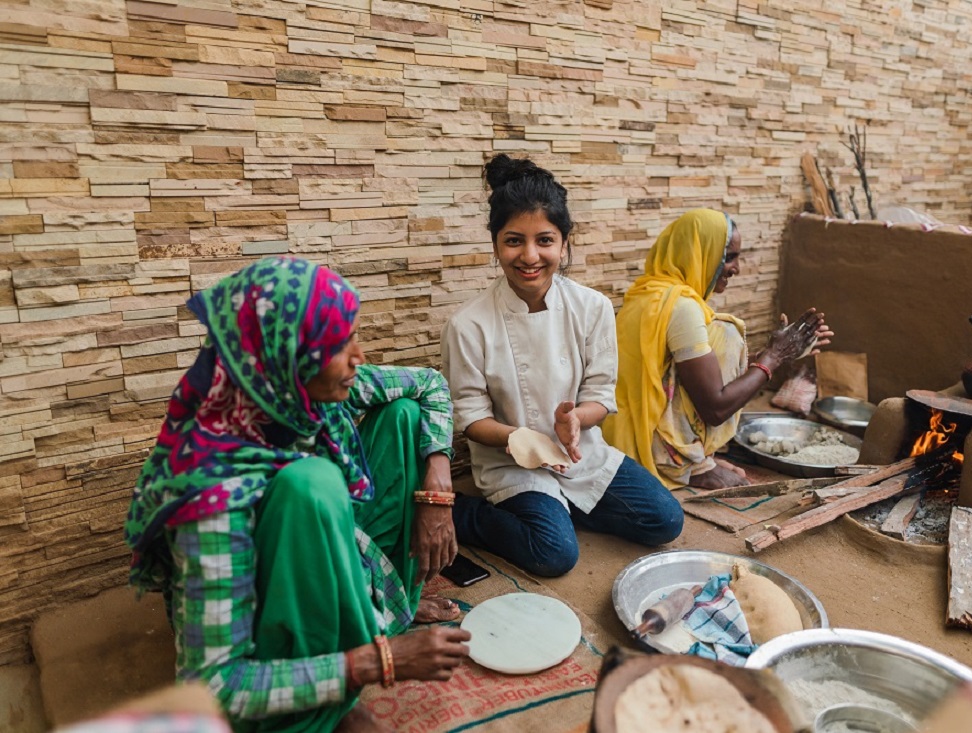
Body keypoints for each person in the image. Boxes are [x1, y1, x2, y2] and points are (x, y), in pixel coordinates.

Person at [123, 256, 471, 732]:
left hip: (332, 546)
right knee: (310, 485)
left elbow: (430, 384)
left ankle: (389, 610)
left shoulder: (304, 397)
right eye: (337, 345)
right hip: (268, 606)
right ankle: (325, 697)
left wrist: (438, 489)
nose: (358, 356)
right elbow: (213, 685)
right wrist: (375, 662)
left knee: (405, 416)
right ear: (286, 357)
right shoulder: (210, 492)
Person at [442, 154, 684, 578]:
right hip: (512, 464)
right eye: (513, 241)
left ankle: (559, 507)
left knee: (665, 520)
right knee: (554, 554)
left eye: (545, 240)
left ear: (564, 243)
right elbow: (471, 418)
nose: (529, 256)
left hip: (580, 454)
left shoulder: (592, 307)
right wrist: (523, 440)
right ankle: (463, 513)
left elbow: (600, 394)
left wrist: (576, 420)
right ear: (495, 245)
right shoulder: (468, 324)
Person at [604, 209, 831, 490]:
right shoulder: (682, 308)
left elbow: (687, 372)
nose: (737, 269)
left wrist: (779, 354)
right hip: (647, 445)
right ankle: (686, 464)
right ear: (699, 253)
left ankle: (693, 458)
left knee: (721, 337)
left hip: (621, 431)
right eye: (729, 257)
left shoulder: (647, 293)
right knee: (726, 333)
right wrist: (774, 356)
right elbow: (715, 407)